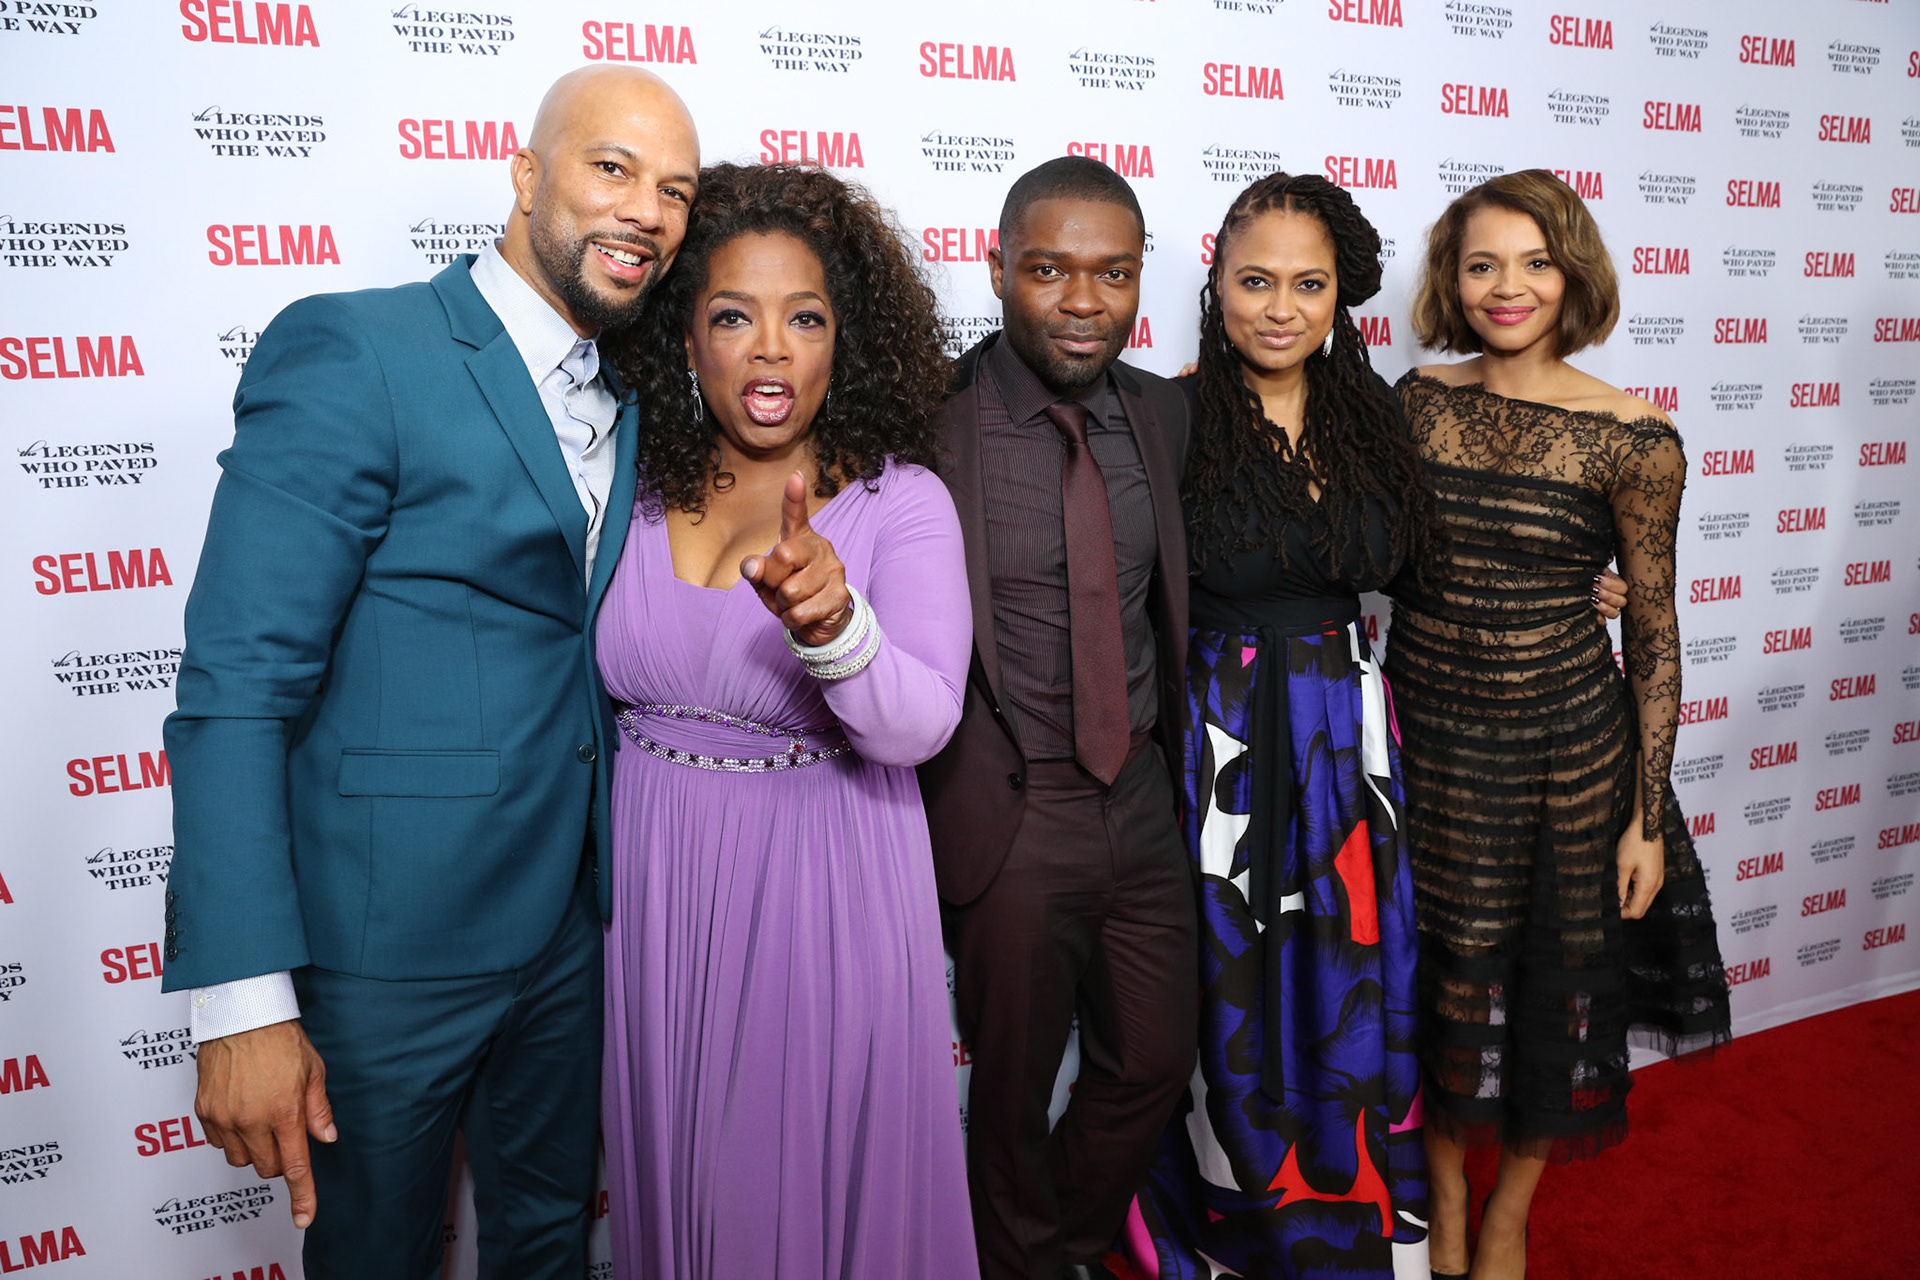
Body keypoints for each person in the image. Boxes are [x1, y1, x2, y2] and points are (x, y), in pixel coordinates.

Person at [160, 66, 699, 1278]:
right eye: (611, 168)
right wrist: (243, 997)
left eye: (674, 191)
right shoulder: (359, 347)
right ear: (524, 174)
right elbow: (238, 681)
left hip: (569, 924)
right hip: (381, 955)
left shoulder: (629, 399)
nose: (646, 212)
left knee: (550, 1241)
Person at [595, 162, 976, 1279]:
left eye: (803, 317)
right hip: (655, 890)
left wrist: (836, 623)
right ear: (683, 338)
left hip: (822, 884)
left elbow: (918, 723)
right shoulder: (633, 482)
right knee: (678, 1186)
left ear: (841, 341)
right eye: (733, 314)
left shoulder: (898, 499)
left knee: (789, 1203)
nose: (770, 346)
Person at [1389, 169, 1731, 1280]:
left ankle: (1507, 1213)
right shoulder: (1413, 400)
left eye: (1536, 261)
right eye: (1483, 262)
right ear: (1452, 277)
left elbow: (1660, 634)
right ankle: (1443, 1190)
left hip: (1566, 757)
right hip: (1427, 750)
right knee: (1439, 981)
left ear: (1574, 272)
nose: (1508, 285)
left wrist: (1644, 818)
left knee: (1548, 991)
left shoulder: (1636, 438)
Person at [1133, 173, 1439, 1280]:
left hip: (1350, 737)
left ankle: (1362, 1220)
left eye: (1307, 284)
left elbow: (1433, 568)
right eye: (1253, 280)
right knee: (1232, 986)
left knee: (1359, 963)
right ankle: (1241, 1234)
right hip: (1222, 738)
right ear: (1214, 283)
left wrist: (1584, 584)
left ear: (1341, 293)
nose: (1278, 307)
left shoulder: (1380, 418)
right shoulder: (1166, 414)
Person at [918, 155, 1197, 1280]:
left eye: (1112, 273)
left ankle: (1059, 1247)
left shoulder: (1165, 414)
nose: (1085, 300)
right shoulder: (928, 421)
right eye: (1050, 269)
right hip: (1010, 807)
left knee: (1155, 1060)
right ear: (996, 271)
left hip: (1139, 800)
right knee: (1014, 1086)